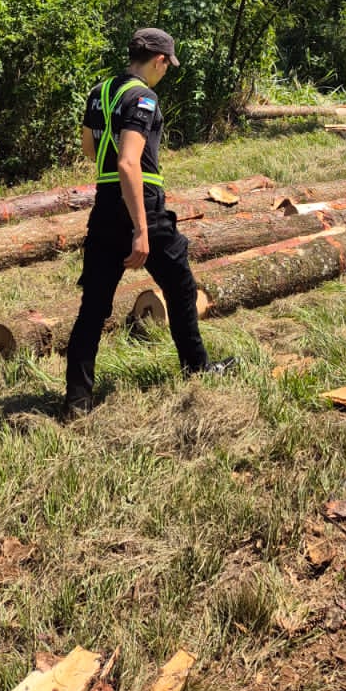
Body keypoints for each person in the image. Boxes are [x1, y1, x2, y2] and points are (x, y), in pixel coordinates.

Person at [64, 27, 234, 418]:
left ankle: (77, 402)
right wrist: (141, 230)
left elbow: (90, 148)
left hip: (105, 205)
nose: (166, 71)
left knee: (93, 307)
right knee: (181, 287)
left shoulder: (100, 91)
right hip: (142, 206)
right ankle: (197, 368)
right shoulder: (143, 97)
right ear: (159, 60)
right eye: (167, 65)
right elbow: (128, 162)